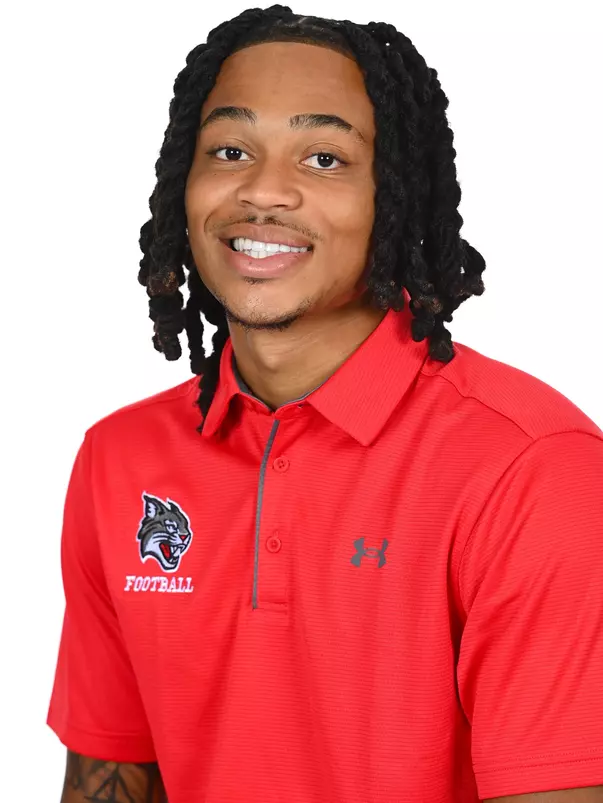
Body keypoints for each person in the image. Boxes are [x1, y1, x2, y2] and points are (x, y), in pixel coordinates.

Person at [46, 5, 603, 802]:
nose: (263, 190)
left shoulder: (531, 469)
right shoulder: (120, 458)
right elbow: (108, 778)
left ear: (393, 197)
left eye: (323, 157)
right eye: (230, 150)